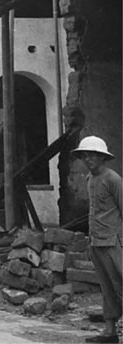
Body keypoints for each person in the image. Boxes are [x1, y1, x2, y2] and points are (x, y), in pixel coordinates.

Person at [72, 136, 122, 344]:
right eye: (85, 155)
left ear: (102, 158)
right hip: (97, 242)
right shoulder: (90, 179)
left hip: (114, 242)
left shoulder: (113, 179)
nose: (88, 159)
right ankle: (109, 332)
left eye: (92, 155)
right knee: (107, 288)